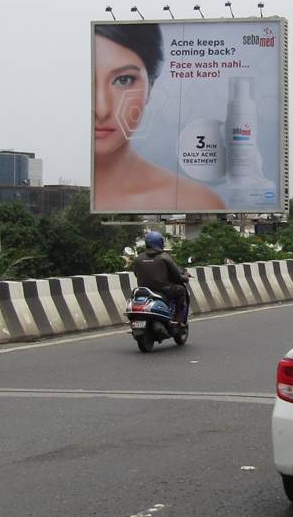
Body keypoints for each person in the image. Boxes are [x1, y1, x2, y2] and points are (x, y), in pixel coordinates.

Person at [93, 23, 226, 212]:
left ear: (151, 86)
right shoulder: (82, 208)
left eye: (124, 80)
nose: (102, 109)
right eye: (92, 82)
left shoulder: (196, 201)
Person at [131, 231, 189, 319]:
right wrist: (185, 278)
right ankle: (178, 319)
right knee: (181, 290)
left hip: (144, 290)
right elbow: (176, 275)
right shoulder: (164, 257)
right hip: (163, 289)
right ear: (160, 242)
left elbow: (136, 274)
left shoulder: (138, 258)